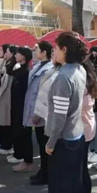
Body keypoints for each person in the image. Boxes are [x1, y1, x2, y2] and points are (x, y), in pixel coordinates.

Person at [40, 32, 87, 193]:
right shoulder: (80, 70)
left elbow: (59, 116)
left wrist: (50, 142)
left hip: (62, 141)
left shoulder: (62, 77)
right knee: (73, 191)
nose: (54, 52)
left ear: (65, 50)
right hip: (76, 137)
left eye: (56, 48)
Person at [31, 51, 61, 185]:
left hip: (48, 115)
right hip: (41, 113)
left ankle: (47, 174)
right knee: (42, 146)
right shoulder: (52, 70)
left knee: (47, 147)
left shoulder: (59, 74)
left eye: (56, 53)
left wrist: (40, 113)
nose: (53, 55)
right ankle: (43, 171)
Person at [7, 46, 33, 170]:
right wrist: (13, 60)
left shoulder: (27, 71)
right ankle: (19, 154)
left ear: (24, 56)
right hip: (16, 105)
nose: (15, 55)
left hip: (22, 106)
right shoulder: (19, 69)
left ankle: (23, 157)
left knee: (23, 133)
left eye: (18, 54)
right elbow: (9, 71)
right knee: (16, 130)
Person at [80, 60, 97, 193]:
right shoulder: (90, 83)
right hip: (86, 129)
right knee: (82, 170)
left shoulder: (82, 85)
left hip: (80, 131)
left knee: (78, 172)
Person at [0, 45, 17, 155]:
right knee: (3, 122)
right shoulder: (8, 64)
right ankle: (5, 145)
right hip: (4, 96)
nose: (4, 53)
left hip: (8, 97)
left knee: (7, 123)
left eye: (6, 51)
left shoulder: (15, 66)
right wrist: (3, 60)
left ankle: (8, 146)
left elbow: (0, 71)